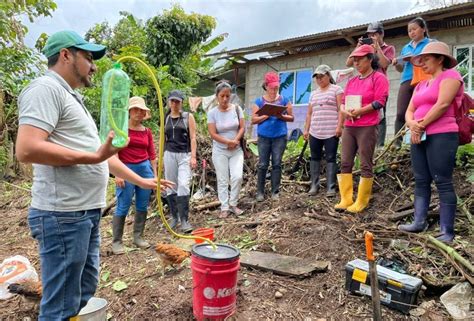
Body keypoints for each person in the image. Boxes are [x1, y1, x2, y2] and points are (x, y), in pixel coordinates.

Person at [15, 30, 172, 320]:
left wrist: (141, 180)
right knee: (60, 304)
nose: (94, 65)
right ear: (65, 55)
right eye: (88, 57)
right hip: (63, 215)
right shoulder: (45, 89)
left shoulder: (71, 97)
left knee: (83, 289)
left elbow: (101, 156)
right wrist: (94, 157)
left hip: (85, 212)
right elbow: (26, 148)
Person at [398, 42, 463, 243]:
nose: (422, 63)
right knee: (421, 179)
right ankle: (419, 222)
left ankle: (447, 231)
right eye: (420, 60)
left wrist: (421, 125)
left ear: (440, 59)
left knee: (442, 180)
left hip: (442, 134)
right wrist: (412, 125)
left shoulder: (451, 76)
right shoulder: (421, 85)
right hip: (419, 135)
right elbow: (409, 111)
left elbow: (443, 104)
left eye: (426, 59)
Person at [335, 45, 389, 213]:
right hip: (350, 126)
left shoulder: (378, 78)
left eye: (359, 59)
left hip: (367, 125)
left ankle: (362, 201)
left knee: (365, 163)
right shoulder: (352, 81)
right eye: (354, 60)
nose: (356, 62)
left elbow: (380, 102)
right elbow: (343, 100)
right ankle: (346, 199)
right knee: (345, 162)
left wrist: (360, 111)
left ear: (369, 59)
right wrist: (343, 111)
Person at [112, 97, 157, 254]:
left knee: (142, 204)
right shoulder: (121, 129)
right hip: (125, 168)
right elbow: (114, 151)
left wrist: (155, 176)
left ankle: (138, 237)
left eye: (142, 110)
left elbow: (152, 155)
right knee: (123, 204)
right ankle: (117, 241)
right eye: (136, 109)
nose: (139, 113)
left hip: (144, 169)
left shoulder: (147, 132)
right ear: (129, 111)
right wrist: (118, 174)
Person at [346, 21, 395, 147]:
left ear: (381, 34)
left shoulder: (388, 48)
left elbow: (384, 64)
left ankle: (379, 144)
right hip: (364, 85)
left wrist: (377, 48)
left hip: (379, 84)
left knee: (381, 114)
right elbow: (348, 63)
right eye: (369, 35)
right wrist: (358, 48)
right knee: (362, 112)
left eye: (374, 34)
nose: (371, 37)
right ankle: (362, 142)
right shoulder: (363, 49)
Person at [251, 72, 294, 201]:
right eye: (271, 87)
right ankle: (260, 192)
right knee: (263, 164)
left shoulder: (285, 100)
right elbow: (253, 119)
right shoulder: (258, 101)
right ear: (266, 86)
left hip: (279, 137)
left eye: (276, 87)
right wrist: (267, 114)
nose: (274, 90)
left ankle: (275, 192)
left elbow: (291, 117)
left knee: (277, 164)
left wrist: (281, 116)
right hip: (264, 137)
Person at [303, 65, 344, 197]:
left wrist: (339, 126)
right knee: (315, 157)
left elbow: (340, 109)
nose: (319, 79)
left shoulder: (336, 89)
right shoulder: (313, 94)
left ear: (328, 76)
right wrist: (306, 129)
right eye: (317, 77)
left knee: (331, 158)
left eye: (322, 76)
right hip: (315, 131)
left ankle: (330, 187)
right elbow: (309, 113)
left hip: (331, 131)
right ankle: (314, 185)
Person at [207, 82, 245, 217]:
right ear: (217, 96)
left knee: (237, 176)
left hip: (236, 150)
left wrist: (235, 141)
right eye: (222, 96)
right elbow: (213, 133)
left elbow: (242, 127)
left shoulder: (237, 109)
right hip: (220, 151)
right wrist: (228, 141)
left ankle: (233, 204)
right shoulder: (212, 113)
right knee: (222, 179)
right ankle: (224, 207)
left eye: (227, 96)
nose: (225, 99)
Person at [392, 17, 431, 145]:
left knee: (421, 111)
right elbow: (400, 69)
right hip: (407, 79)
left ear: (423, 29)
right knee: (401, 113)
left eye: (414, 29)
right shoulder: (406, 47)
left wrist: (416, 58)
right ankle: (397, 144)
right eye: (409, 31)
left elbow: (434, 61)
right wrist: (396, 63)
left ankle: (421, 139)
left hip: (425, 79)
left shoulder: (431, 43)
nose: (412, 32)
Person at [164, 90, 197, 231]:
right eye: (172, 101)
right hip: (169, 154)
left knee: (183, 184)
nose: (174, 104)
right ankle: (174, 217)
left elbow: (193, 137)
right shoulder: (166, 117)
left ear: (181, 102)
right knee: (171, 185)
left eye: (177, 101)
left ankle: (184, 219)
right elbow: (163, 137)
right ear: (169, 102)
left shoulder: (187, 117)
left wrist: (194, 156)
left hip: (184, 154)